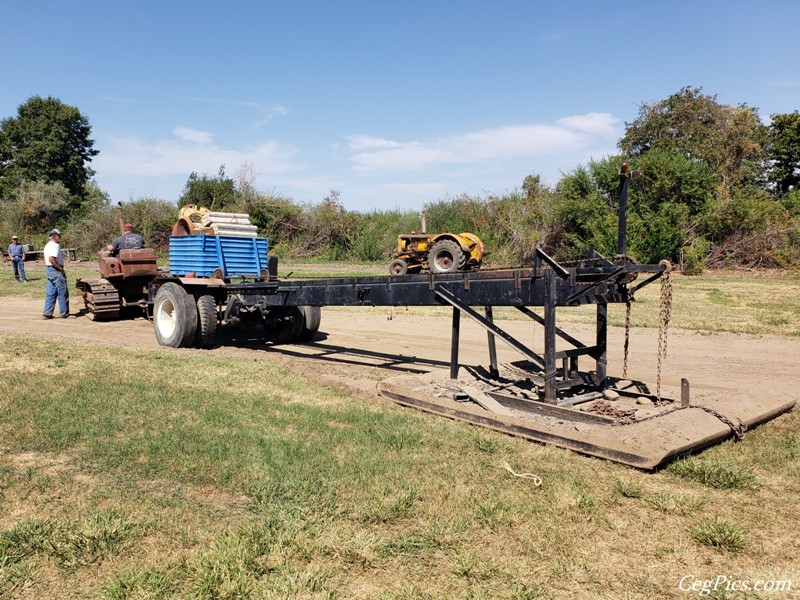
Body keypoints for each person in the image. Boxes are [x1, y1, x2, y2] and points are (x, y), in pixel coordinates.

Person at [42, 229, 70, 319]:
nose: (59, 237)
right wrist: (60, 268)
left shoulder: (47, 245)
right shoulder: (55, 245)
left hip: (49, 270)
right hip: (55, 270)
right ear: (54, 236)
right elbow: (51, 259)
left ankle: (47, 313)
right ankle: (64, 313)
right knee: (62, 292)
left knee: (51, 292)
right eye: (58, 236)